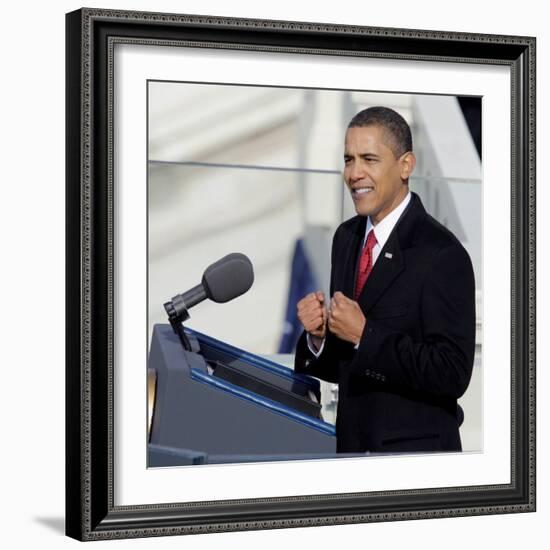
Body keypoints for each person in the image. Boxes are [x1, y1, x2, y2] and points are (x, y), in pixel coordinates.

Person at [294, 106, 476, 454]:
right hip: (352, 452)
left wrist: (365, 335)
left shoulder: (441, 254)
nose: (354, 173)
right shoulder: (346, 238)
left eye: (369, 159)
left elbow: (452, 372)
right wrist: (318, 337)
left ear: (406, 165)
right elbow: (351, 364)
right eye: (349, 160)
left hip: (414, 462)